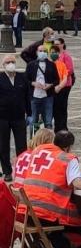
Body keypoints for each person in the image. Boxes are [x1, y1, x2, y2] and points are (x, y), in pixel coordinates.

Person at [18, 129, 81, 248]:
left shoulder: (37, 152)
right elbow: (78, 184)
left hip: (27, 212)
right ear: (68, 147)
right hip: (49, 212)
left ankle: (60, 247)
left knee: (64, 224)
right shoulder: (68, 159)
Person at [0, 54, 29, 182]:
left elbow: (27, 96)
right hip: (2, 118)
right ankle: (7, 171)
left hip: (19, 117)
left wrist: (30, 113)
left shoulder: (22, 78)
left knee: (21, 145)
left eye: (12, 61)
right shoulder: (0, 78)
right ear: (3, 65)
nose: (11, 64)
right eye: (8, 62)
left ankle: (22, 170)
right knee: (3, 145)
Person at [27, 44, 60, 131]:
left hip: (48, 96)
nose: (42, 53)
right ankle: (34, 139)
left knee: (48, 120)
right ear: (37, 52)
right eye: (40, 51)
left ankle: (48, 139)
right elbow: (26, 79)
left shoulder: (51, 65)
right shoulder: (31, 64)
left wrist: (50, 85)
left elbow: (57, 80)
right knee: (34, 119)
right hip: (35, 95)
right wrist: (33, 83)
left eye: (45, 51)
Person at [51, 41, 74, 132]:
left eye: (58, 43)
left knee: (62, 107)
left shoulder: (65, 57)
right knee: (55, 107)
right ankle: (57, 126)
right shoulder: (51, 62)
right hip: (54, 86)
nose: (56, 45)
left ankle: (63, 126)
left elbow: (69, 71)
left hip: (64, 85)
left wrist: (60, 84)